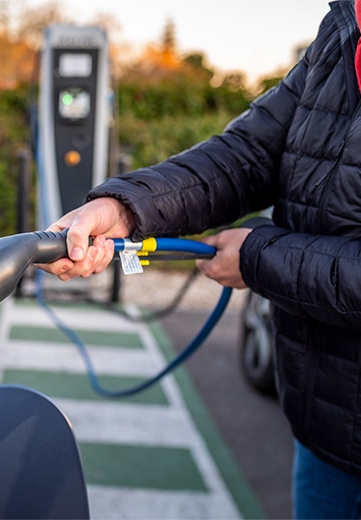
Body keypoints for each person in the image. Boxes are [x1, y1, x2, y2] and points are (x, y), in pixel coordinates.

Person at [38, 1, 361, 518]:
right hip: (324, 425)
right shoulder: (345, 28)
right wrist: (122, 208)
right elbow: (249, 153)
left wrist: (258, 258)